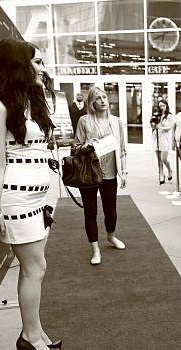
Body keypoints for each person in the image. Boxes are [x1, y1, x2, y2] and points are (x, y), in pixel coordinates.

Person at [0, 38, 61, 350]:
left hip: (39, 198)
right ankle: (31, 337)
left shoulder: (33, 101)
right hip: (15, 200)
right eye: (38, 62)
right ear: (19, 64)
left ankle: (34, 331)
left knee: (33, 269)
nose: (43, 67)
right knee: (36, 268)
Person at [75, 86, 128, 265]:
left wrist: (125, 171)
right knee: (90, 212)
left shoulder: (117, 122)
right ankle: (95, 249)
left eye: (104, 97)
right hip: (89, 173)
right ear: (91, 102)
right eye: (98, 98)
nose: (103, 100)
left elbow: (122, 150)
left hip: (110, 172)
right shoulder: (84, 121)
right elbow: (75, 147)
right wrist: (88, 145)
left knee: (110, 211)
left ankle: (111, 236)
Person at [152, 100, 173, 184]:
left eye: (163, 105)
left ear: (166, 106)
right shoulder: (156, 115)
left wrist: (160, 126)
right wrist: (153, 123)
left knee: (163, 158)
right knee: (158, 159)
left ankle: (169, 170)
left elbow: (169, 127)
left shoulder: (169, 116)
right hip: (156, 138)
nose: (161, 107)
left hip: (164, 139)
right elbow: (153, 126)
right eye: (160, 106)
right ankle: (161, 174)